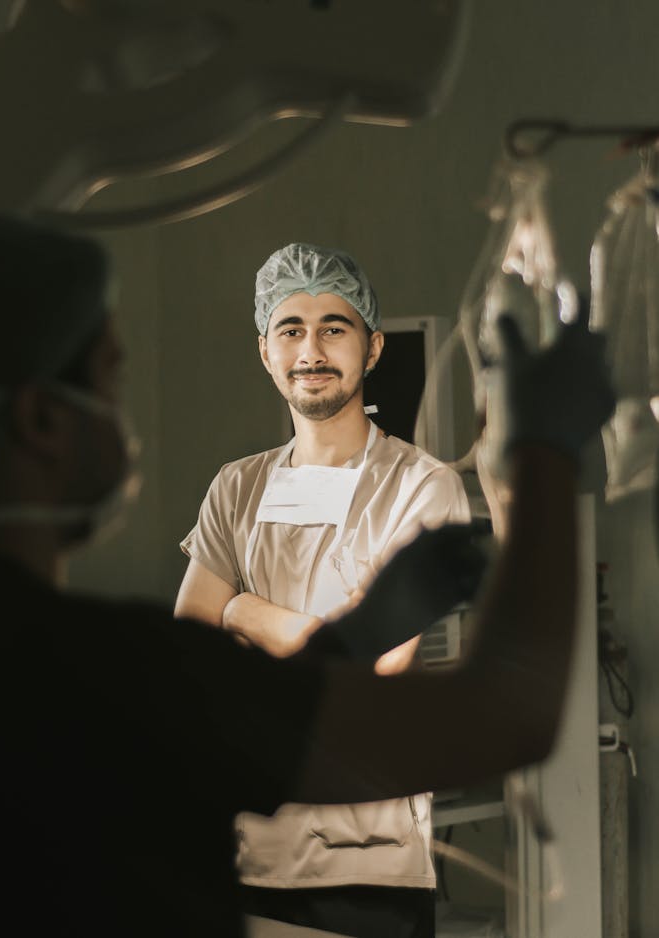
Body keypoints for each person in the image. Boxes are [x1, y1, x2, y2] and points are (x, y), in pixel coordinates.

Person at [0, 215, 614, 938]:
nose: (128, 418)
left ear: (370, 346)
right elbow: (502, 717)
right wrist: (542, 455)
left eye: (333, 328)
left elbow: (245, 700)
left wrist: (332, 632)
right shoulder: (111, 670)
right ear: (43, 420)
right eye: (111, 377)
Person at [175, 243, 470, 937]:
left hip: (368, 862)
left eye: (333, 328)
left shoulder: (422, 488)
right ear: (265, 351)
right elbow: (190, 641)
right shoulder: (236, 486)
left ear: (371, 349)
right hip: (246, 847)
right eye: (291, 329)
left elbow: (374, 660)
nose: (311, 349)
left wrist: (240, 608)